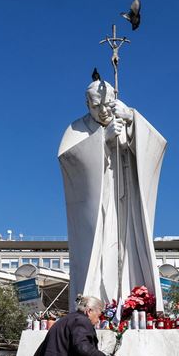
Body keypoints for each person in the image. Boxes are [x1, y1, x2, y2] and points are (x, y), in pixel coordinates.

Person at [58, 79, 166, 315]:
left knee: (130, 249)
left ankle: (136, 301)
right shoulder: (76, 129)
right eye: (96, 105)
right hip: (99, 209)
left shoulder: (127, 116)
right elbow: (68, 161)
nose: (104, 110)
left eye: (107, 103)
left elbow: (157, 147)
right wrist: (102, 140)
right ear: (87, 104)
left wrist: (132, 123)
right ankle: (97, 305)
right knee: (98, 255)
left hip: (128, 204)